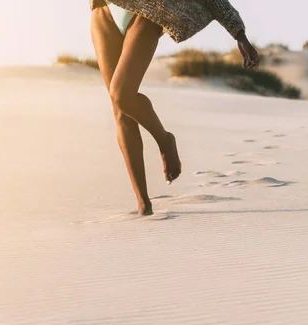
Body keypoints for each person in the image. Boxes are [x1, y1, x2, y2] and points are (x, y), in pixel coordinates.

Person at [90, 0, 259, 215]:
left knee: (122, 94)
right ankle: (143, 203)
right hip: (103, 12)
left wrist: (239, 34)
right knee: (120, 112)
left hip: (147, 11)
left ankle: (164, 140)